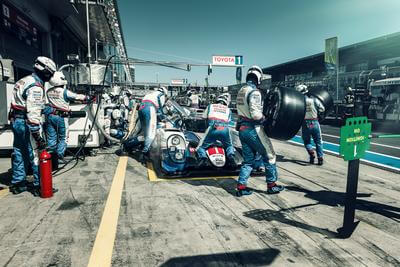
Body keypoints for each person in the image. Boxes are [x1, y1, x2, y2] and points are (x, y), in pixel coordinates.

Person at [8, 56, 56, 196]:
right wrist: (37, 136)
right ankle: (40, 186)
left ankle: (18, 183)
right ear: (46, 72)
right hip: (27, 123)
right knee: (36, 154)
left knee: (19, 152)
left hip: (16, 121)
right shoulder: (36, 87)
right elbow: (33, 112)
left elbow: (21, 104)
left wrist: (51, 109)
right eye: (51, 73)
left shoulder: (23, 80)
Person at [235, 66, 284, 196]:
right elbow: (256, 115)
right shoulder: (254, 92)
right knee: (270, 155)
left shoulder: (242, 90)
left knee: (248, 161)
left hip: (242, 129)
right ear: (259, 78)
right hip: (253, 129)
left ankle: (241, 186)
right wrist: (265, 119)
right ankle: (272, 185)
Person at [44, 71, 92, 164]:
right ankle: (59, 156)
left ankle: (51, 157)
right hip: (61, 117)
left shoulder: (48, 91)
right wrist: (88, 97)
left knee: (51, 137)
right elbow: (77, 97)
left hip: (50, 116)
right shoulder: (64, 92)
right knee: (63, 137)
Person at [123, 87, 168, 155]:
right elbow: (160, 109)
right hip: (150, 108)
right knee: (151, 132)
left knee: (144, 133)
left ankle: (128, 144)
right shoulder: (161, 95)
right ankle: (145, 152)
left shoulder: (151, 94)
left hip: (142, 108)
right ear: (165, 93)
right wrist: (163, 118)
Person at [196, 95, 235, 166]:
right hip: (225, 129)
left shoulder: (211, 106)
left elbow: (203, 117)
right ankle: (231, 156)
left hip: (213, 128)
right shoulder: (228, 110)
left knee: (200, 147)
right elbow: (229, 121)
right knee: (229, 145)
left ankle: (203, 158)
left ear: (216, 101)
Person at [296, 84, 325, 165]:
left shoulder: (298, 102)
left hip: (305, 123)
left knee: (307, 141)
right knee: (318, 141)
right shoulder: (314, 100)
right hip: (315, 122)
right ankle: (320, 158)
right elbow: (322, 109)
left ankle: (311, 152)